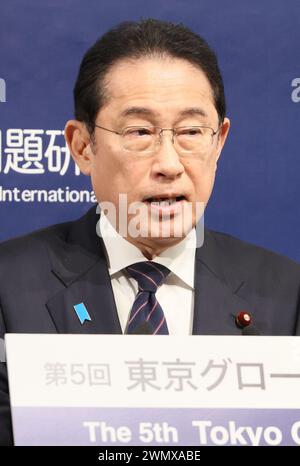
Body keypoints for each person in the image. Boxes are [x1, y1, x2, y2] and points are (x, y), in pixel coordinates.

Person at [0, 18, 299, 446]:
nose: (169, 164)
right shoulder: (8, 289)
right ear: (82, 146)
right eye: (140, 132)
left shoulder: (288, 297)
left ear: (219, 143)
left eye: (191, 133)